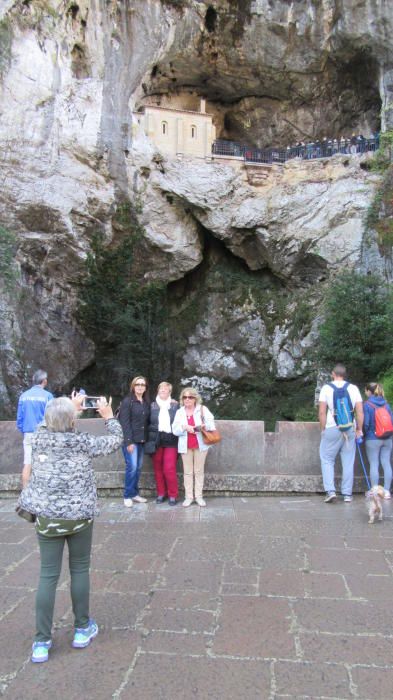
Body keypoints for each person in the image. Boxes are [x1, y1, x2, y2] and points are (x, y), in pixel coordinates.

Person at [18, 393, 123, 663]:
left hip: (48, 518)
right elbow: (114, 441)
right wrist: (109, 417)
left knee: (47, 576)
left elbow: (46, 423)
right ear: (72, 420)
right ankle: (81, 629)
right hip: (79, 517)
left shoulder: (39, 437)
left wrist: (69, 408)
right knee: (79, 570)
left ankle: (41, 642)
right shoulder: (81, 441)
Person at [319, 364, 363, 503]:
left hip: (333, 426)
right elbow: (359, 412)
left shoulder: (326, 388)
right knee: (348, 461)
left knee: (327, 459)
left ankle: (330, 491)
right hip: (349, 427)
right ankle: (347, 494)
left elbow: (321, 412)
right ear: (344, 374)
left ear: (333, 374)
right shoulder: (353, 388)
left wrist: (323, 429)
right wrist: (359, 429)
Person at [172, 387, 216, 507]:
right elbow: (174, 430)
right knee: (187, 472)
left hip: (200, 446)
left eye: (190, 397)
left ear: (195, 398)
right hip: (185, 446)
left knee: (198, 471)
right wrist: (184, 427)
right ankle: (188, 497)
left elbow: (212, 425)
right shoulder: (179, 412)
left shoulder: (203, 409)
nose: (187, 399)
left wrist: (203, 426)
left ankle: (199, 497)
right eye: (185, 397)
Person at [16, 369, 53, 488]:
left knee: (28, 463)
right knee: (44, 462)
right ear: (45, 381)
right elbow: (52, 416)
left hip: (28, 434)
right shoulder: (48, 396)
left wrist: (24, 430)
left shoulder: (23, 396)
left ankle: (26, 492)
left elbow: (20, 418)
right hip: (44, 434)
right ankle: (44, 490)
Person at [146, 381, 179, 505]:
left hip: (171, 440)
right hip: (156, 440)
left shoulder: (176, 405)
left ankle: (173, 494)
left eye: (165, 389)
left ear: (169, 392)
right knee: (158, 468)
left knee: (169, 468)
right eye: (161, 389)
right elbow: (146, 422)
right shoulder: (152, 405)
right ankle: (161, 493)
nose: (162, 391)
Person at [118, 376, 150, 507]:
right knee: (132, 467)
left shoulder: (146, 402)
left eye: (143, 384)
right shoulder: (127, 402)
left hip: (141, 440)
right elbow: (124, 423)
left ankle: (135, 494)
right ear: (133, 386)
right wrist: (129, 442)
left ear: (145, 387)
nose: (140, 386)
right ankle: (127, 495)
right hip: (131, 440)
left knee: (138, 468)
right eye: (138, 384)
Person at [363, 383, 393, 499]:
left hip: (373, 438)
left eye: (365, 391)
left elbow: (366, 423)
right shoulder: (386, 404)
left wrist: (363, 433)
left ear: (368, 391)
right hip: (388, 438)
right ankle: (386, 491)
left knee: (374, 464)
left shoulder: (367, 405)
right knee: (386, 463)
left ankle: (375, 491)